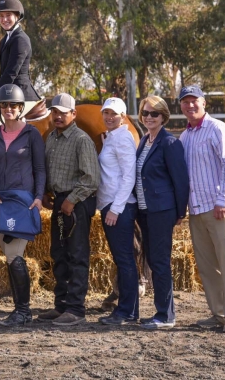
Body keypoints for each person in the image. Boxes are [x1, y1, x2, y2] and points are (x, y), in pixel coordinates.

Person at [178, 85, 225, 334]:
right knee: (207, 266)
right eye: (185, 102)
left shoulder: (218, 129)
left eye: (194, 101)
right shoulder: (185, 136)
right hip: (197, 209)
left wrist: (223, 200)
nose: (190, 105)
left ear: (204, 103)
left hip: (220, 208)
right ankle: (219, 314)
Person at [0, 84, 46, 326]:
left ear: (21, 108)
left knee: (15, 255)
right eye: (4, 105)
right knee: (9, 257)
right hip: (0, 202)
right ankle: (20, 309)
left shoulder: (32, 135)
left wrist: (38, 197)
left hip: (23, 202)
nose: (8, 108)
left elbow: (40, 169)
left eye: (12, 105)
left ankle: (23, 311)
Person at [38, 93, 100, 327]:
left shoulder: (82, 140)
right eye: (55, 112)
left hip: (77, 202)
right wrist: (45, 192)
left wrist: (71, 200)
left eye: (63, 112)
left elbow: (91, 178)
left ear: (73, 114)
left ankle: (76, 309)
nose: (58, 116)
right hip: (60, 201)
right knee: (59, 254)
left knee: (76, 254)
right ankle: (61, 305)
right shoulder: (51, 138)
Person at [132, 95, 190, 330]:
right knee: (153, 260)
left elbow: (181, 180)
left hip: (162, 211)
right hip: (145, 211)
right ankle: (160, 311)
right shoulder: (145, 140)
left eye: (154, 113)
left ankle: (166, 316)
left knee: (160, 261)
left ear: (163, 116)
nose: (149, 117)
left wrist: (179, 211)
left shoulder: (170, 143)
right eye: (145, 113)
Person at [94, 97, 141, 326]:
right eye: (106, 113)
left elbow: (128, 176)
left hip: (118, 207)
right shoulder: (113, 137)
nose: (109, 117)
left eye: (114, 114)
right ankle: (127, 310)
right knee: (122, 259)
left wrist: (116, 208)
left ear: (123, 116)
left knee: (125, 260)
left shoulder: (123, 138)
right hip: (111, 205)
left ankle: (127, 312)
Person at [0, 0, 42, 136]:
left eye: (8, 15)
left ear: (17, 16)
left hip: (22, 94)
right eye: (1, 16)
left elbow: (11, 74)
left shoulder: (21, 40)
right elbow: (2, 74)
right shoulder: (4, 40)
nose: (4, 19)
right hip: (9, 92)